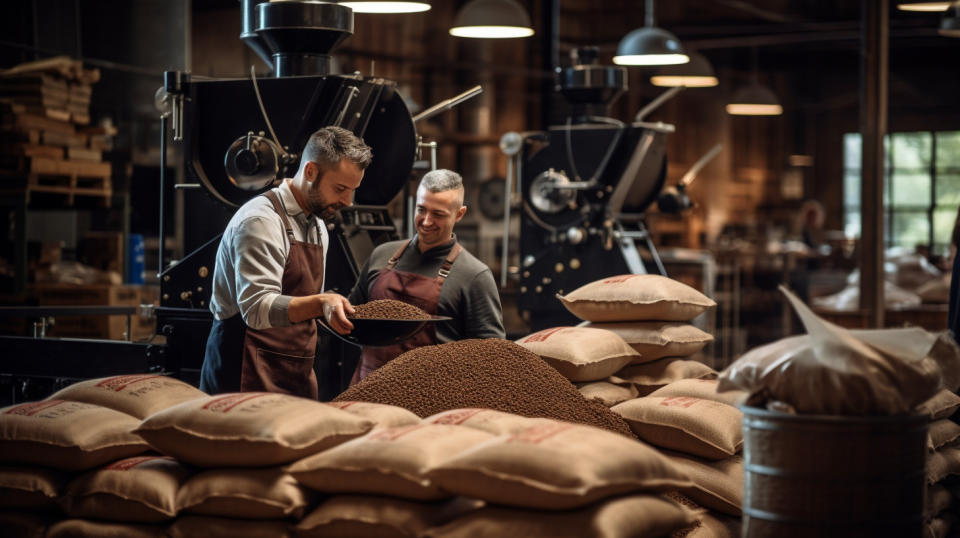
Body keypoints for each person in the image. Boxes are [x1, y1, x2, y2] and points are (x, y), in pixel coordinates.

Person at [200, 126, 373, 398]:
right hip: (245, 374)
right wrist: (321, 302)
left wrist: (334, 311)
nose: (348, 201)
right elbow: (257, 308)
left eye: (353, 190)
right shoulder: (260, 221)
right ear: (310, 172)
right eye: (340, 188)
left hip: (295, 373)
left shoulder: (317, 226)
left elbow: (301, 303)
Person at [348, 169, 505, 384]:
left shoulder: (474, 275)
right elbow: (352, 315)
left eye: (438, 214)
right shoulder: (381, 255)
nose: (427, 221)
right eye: (421, 209)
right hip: (367, 390)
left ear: (459, 214)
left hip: (430, 401)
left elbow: (491, 357)